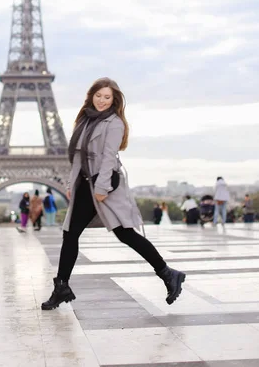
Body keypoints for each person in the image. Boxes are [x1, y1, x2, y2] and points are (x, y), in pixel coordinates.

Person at [41, 77, 186, 310]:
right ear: (91, 96)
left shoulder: (115, 123)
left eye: (107, 97)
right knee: (71, 234)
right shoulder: (85, 120)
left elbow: (109, 158)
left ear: (114, 99)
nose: (102, 101)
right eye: (98, 96)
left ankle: (168, 273)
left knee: (125, 233)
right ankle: (62, 287)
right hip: (84, 183)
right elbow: (78, 156)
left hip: (104, 184)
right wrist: (70, 184)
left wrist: (101, 189)